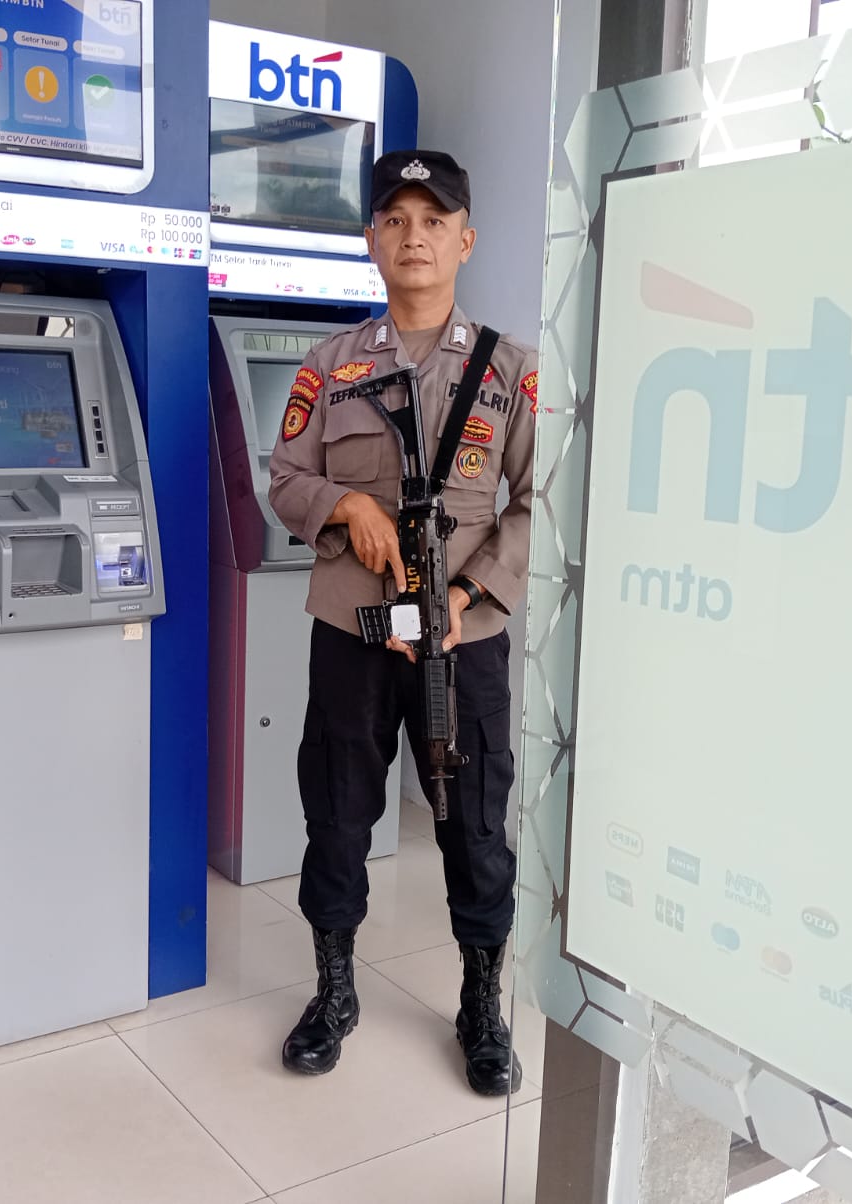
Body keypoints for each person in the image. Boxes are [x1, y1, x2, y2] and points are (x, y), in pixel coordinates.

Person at [267, 149, 538, 1096]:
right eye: (395, 219)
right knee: (337, 811)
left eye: (434, 220)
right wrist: (346, 505)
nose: (413, 236)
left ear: (466, 240)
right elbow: (285, 479)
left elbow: (541, 502)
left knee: (476, 826)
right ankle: (335, 991)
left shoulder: (511, 369)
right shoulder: (330, 366)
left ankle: (481, 1004)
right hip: (353, 633)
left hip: (464, 641)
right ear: (371, 240)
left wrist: (468, 598)